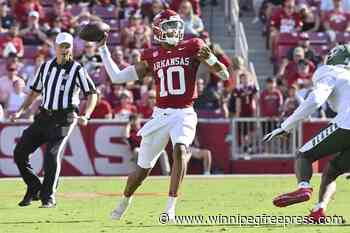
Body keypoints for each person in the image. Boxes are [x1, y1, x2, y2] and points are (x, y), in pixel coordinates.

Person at [97, 9, 229, 220]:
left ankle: (170, 207)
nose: (175, 31)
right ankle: (125, 199)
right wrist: (103, 50)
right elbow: (117, 77)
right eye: (169, 26)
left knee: (180, 149)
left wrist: (213, 60)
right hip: (160, 115)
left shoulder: (193, 45)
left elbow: (224, 74)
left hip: (185, 112)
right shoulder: (151, 55)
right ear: (158, 30)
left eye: (177, 26)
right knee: (142, 171)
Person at [263, 44, 350, 222]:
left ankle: (303, 187)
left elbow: (316, 100)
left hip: (347, 123)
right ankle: (319, 211)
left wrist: (286, 126)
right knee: (332, 171)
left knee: (304, 155)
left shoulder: (329, 70)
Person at [10, 32, 97, 208]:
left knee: (51, 155)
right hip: (44, 116)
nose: (64, 50)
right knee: (19, 152)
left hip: (65, 117)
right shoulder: (45, 67)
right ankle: (34, 186)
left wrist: (86, 114)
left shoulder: (77, 69)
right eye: (61, 46)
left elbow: (92, 93)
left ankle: (48, 197)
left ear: (71, 48)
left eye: (67, 46)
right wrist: (21, 111)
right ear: (55, 48)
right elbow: (34, 92)